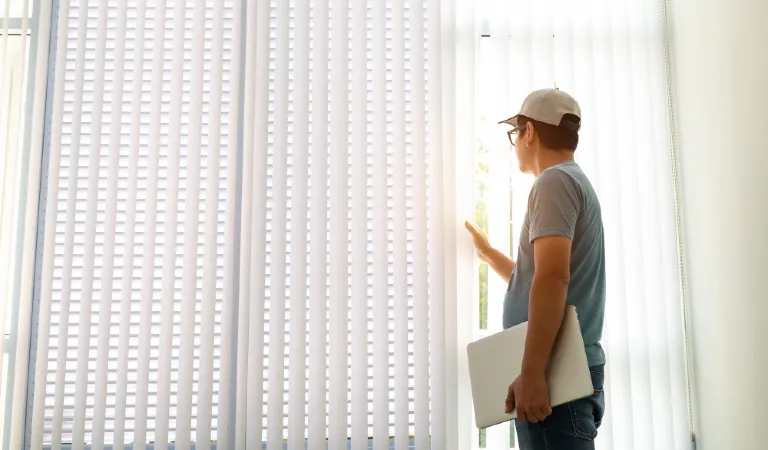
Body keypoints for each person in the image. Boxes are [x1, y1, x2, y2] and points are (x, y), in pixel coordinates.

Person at [466, 89, 606, 449]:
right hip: (559, 374)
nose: (515, 144)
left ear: (528, 132)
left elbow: (552, 278)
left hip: (554, 376)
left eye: (515, 134)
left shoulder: (554, 182)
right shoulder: (571, 181)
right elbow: (542, 277)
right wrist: (490, 254)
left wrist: (531, 373)